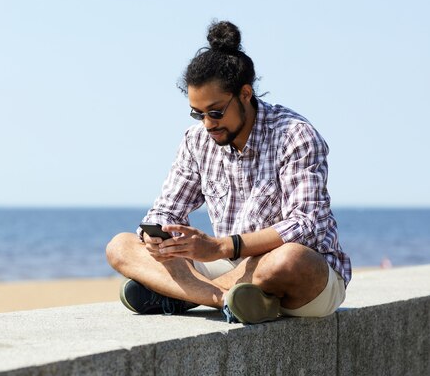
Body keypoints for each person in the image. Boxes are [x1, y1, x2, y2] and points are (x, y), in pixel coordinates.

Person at [105, 20, 351, 324]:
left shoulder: (295, 135)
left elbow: (305, 225)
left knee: (289, 259)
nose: (208, 123)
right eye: (199, 113)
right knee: (121, 246)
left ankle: (180, 294)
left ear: (245, 94)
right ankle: (225, 299)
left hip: (295, 275)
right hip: (227, 268)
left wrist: (222, 246)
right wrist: (158, 235)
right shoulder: (196, 140)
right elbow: (166, 209)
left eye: (216, 111)